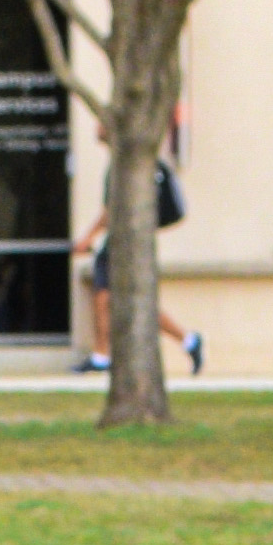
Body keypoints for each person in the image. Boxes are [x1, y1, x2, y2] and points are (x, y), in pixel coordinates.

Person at [76, 122, 202, 381]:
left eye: (104, 122)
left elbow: (110, 211)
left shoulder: (123, 166)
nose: (99, 125)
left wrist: (87, 238)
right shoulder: (122, 163)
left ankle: (104, 355)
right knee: (110, 299)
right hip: (122, 242)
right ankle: (186, 340)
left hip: (123, 244)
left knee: (124, 301)